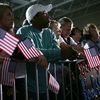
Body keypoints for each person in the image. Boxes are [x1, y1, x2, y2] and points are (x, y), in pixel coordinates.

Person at [16, 4, 77, 100]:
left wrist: (61, 53)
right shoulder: (23, 31)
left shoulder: (49, 32)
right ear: (34, 18)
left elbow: (56, 50)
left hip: (48, 82)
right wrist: (61, 53)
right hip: (30, 86)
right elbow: (30, 50)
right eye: (44, 14)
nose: (48, 16)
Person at [0, 3, 15, 100]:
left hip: (8, 82)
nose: (12, 17)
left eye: (12, 14)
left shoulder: (10, 34)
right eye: (8, 14)